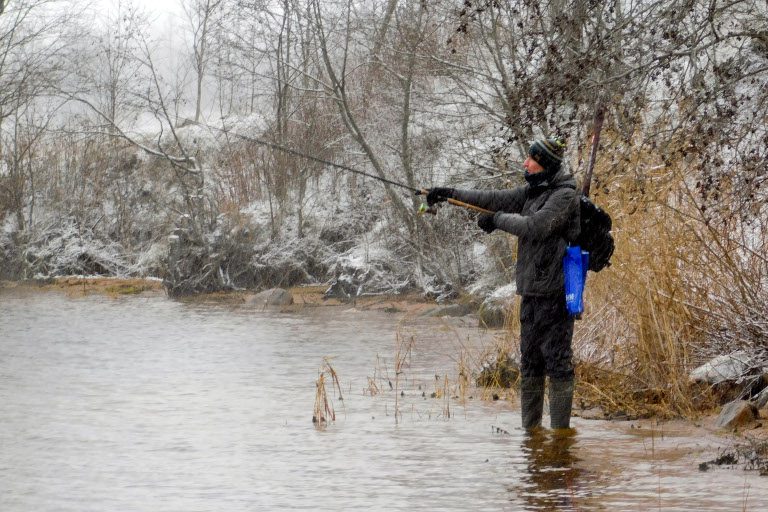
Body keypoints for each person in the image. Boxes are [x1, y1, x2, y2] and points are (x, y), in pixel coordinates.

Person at [426, 137, 580, 430]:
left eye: (531, 159)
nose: (525, 163)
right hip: (532, 293)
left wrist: (496, 220)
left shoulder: (564, 196)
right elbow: (493, 198)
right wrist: (449, 193)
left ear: (545, 164)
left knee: (558, 363)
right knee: (530, 363)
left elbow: (535, 227)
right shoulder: (533, 192)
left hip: (556, 293)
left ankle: (561, 439)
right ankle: (531, 436)